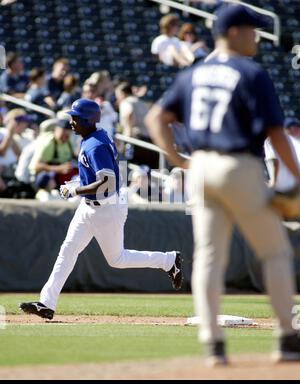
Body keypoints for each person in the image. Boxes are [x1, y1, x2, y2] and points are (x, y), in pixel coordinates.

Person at [146, 4, 300, 365]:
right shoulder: (250, 72)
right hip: (238, 165)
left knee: (210, 257)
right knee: (275, 252)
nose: (257, 36)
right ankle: (287, 339)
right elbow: (276, 134)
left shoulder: (194, 74)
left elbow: (156, 118)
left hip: (200, 167)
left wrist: (179, 160)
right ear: (233, 32)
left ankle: (213, 345)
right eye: (251, 29)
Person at [20, 98, 183, 320]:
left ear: (87, 120)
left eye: (75, 118)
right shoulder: (93, 136)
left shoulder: (95, 145)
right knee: (68, 250)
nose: (71, 122)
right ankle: (46, 303)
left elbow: (106, 184)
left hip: (106, 208)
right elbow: (100, 179)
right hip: (89, 207)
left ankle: (168, 260)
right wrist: (79, 185)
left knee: (117, 259)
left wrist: (75, 191)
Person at [29, 118, 77, 187]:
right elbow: (37, 166)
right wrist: (58, 168)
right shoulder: (48, 143)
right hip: (41, 176)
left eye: (67, 135)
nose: (64, 138)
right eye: (62, 134)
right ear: (56, 130)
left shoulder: (68, 141)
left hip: (60, 173)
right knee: (48, 182)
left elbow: (72, 157)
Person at [264, 117, 300, 191]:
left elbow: (274, 160)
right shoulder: (272, 140)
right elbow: (274, 160)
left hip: (287, 189)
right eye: (290, 127)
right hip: (287, 187)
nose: (294, 129)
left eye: (296, 126)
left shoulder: (272, 140)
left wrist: (273, 182)